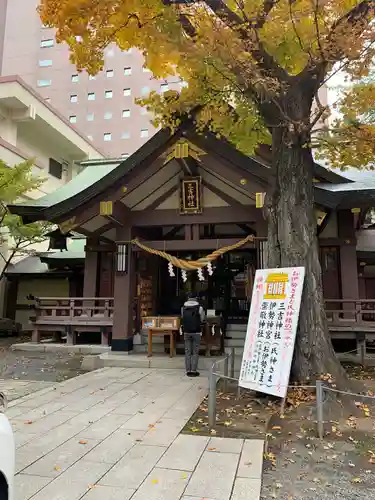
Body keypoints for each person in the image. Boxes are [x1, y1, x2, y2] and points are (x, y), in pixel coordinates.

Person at [181, 293, 205, 377]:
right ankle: (194, 371)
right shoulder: (200, 308)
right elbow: (202, 319)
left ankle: (188, 370)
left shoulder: (183, 308)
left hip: (186, 332)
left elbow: (183, 317)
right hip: (196, 332)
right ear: (196, 298)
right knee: (195, 352)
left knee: (187, 351)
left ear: (188, 298)